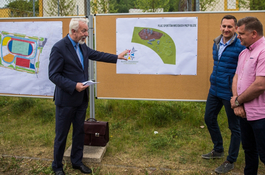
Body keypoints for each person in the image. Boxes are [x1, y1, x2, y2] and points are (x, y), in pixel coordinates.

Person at [48, 18, 128, 175]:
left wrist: (116, 57)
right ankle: (57, 166)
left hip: (81, 99)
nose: (87, 34)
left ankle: (76, 162)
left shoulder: (82, 47)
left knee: (79, 132)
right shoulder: (59, 48)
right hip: (66, 101)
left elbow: (97, 54)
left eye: (87, 31)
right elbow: (53, 75)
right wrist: (73, 85)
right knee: (61, 135)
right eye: (84, 31)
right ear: (73, 31)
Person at [201, 15, 245, 174]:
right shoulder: (216, 43)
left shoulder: (241, 46)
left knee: (234, 127)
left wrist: (238, 95)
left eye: (230, 27)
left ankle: (230, 160)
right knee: (208, 118)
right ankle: (218, 149)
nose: (226, 29)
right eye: (224, 26)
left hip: (230, 92)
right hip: (214, 89)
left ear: (235, 28)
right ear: (220, 27)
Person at [230, 16, 265, 175]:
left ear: (254, 33)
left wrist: (237, 100)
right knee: (249, 151)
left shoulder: (263, 51)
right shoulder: (244, 53)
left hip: (261, 115)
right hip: (244, 113)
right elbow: (236, 77)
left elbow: (260, 85)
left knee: (264, 154)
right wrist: (238, 103)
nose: (238, 37)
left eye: (241, 33)